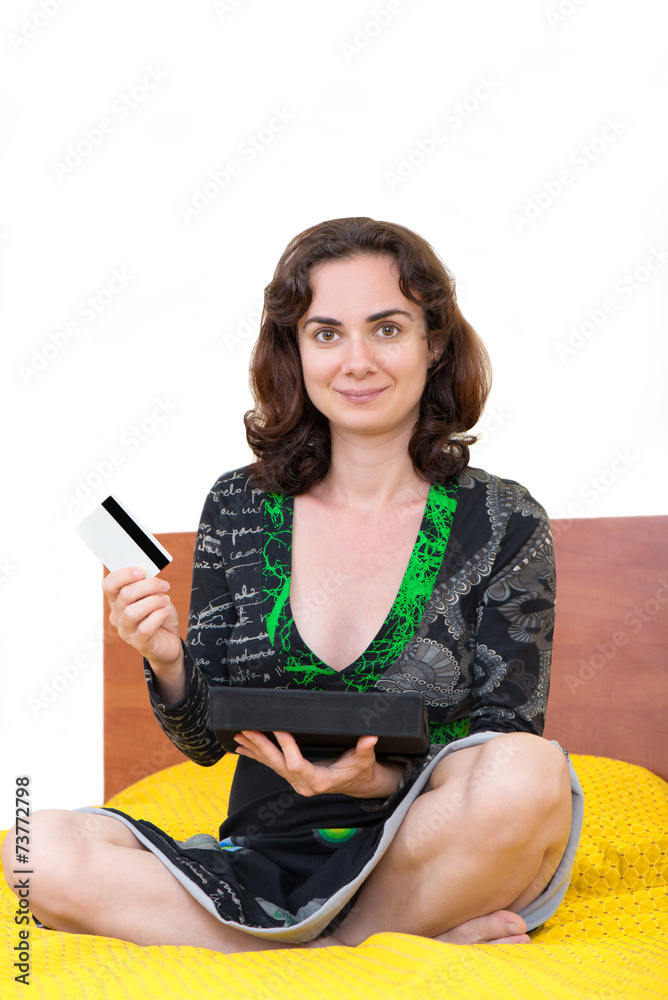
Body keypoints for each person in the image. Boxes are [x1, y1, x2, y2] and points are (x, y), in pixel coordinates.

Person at [1, 217, 583, 952]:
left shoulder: (503, 518)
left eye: (387, 329)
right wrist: (167, 657)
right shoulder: (241, 505)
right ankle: (361, 945)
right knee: (32, 848)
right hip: (263, 856)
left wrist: (374, 783)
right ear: (296, 349)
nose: (357, 362)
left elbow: (503, 735)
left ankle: (322, 942)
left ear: (434, 343)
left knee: (531, 773)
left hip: (426, 849)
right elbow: (203, 739)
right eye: (327, 333)